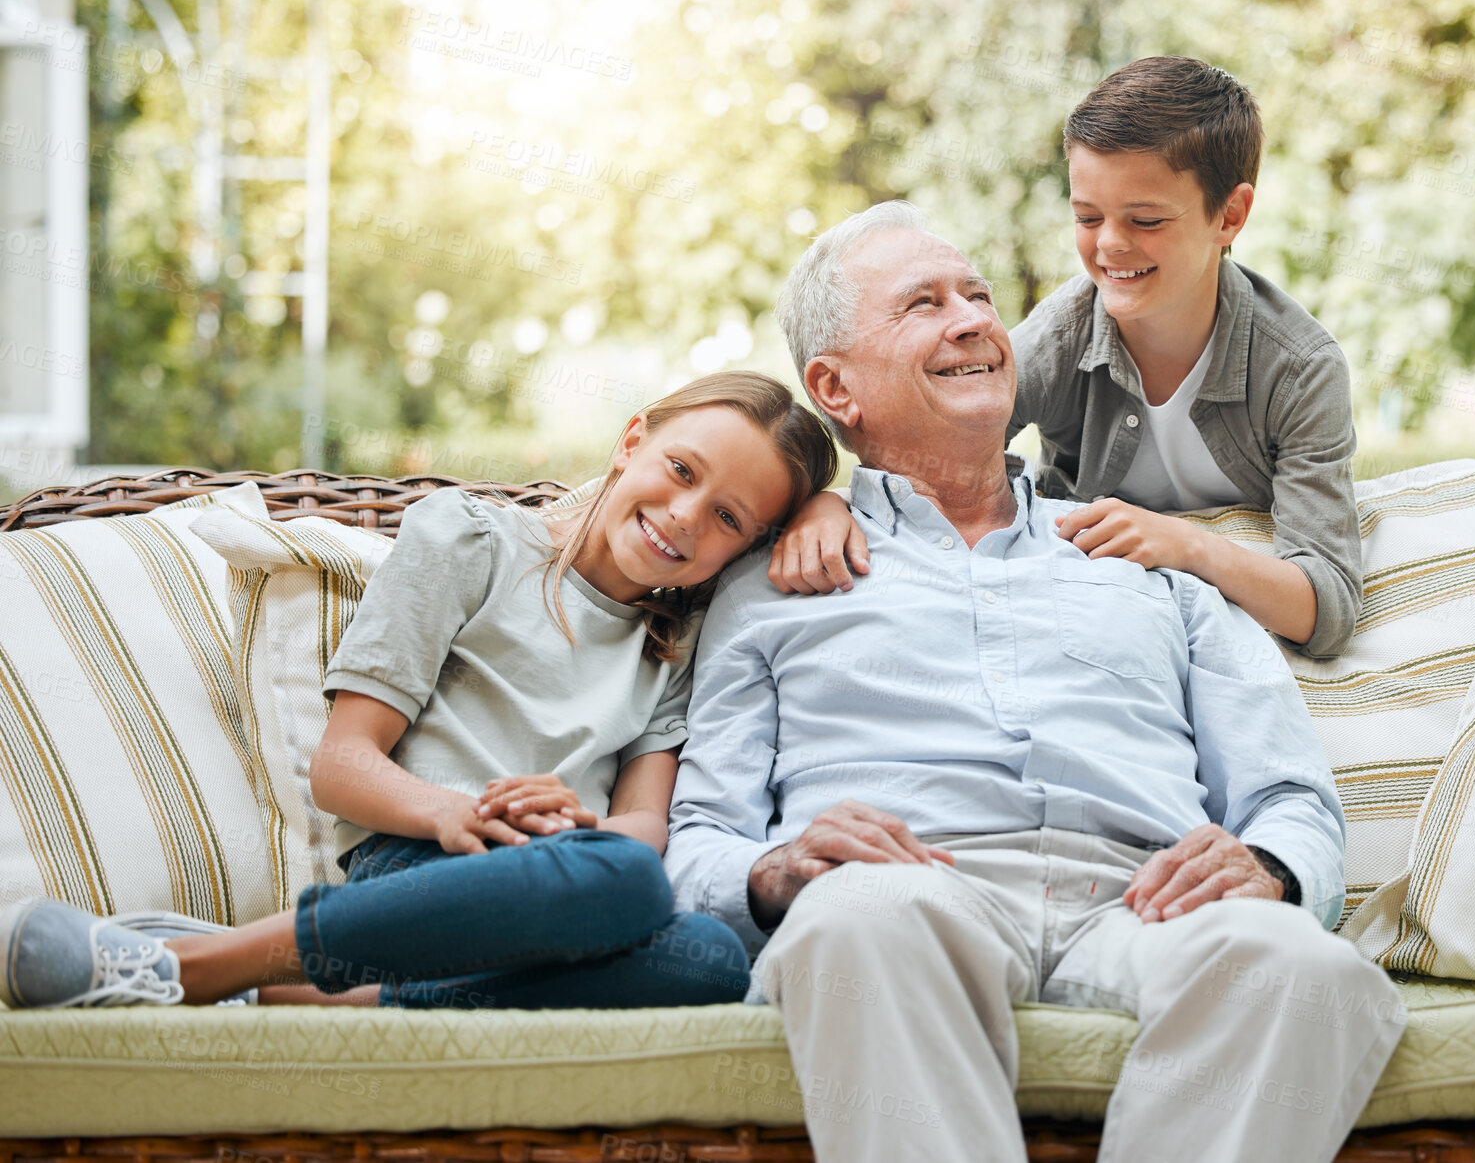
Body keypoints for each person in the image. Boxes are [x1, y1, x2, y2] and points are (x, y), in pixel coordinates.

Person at [666, 203, 1403, 1163]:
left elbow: (1289, 795)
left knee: (1304, 969)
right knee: (854, 920)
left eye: (976, 295)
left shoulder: (1148, 557)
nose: (972, 319)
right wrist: (775, 871)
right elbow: (697, 845)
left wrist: (1270, 866)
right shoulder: (770, 584)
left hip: (1150, 901)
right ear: (833, 388)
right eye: (922, 305)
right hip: (910, 892)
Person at [0, 372, 838, 1012]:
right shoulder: (470, 541)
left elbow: (643, 823)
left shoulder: (673, 647)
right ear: (630, 442)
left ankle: (302, 996)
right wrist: (453, 813)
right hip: (420, 866)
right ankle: (200, 968)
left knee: (709, 955)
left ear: (746, 548)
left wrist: (584, 831)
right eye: (680, 469)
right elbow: (342, 764)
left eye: (730, 519)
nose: (687, 516)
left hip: (568, 884)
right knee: (632, 886)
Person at [770, 57, 1362, 660]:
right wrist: (829, 503)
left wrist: (1188, 545)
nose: (1109, 244)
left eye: (1146, 219)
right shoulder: (1063, 336)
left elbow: (1331, 607)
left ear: (1230, 214)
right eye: (1086, 217)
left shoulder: (1299, 369)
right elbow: (922, 443)